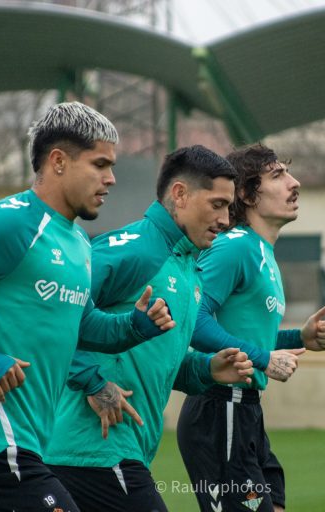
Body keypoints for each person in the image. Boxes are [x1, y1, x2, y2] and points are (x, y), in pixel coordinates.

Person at [0, 102, 173, 512]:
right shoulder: (11, 223)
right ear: (59, 161)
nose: (111, 178)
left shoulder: (80, 243)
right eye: (100, 164)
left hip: (23, 448)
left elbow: (84, 328)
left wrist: (135, 327)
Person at [45, 145, 254, 512]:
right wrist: (92, 382)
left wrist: (206, 370)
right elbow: (52, 314)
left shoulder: (190, 269)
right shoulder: (136, 250)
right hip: (92, 449)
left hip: (124, 450)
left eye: (229, 208)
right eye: (218, 204)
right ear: (180, 194)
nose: (225, 219)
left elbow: (154, 360)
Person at [177, 143, 325, 512]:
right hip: (220, 410)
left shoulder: (262, 252)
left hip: (246, 411)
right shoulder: (236, 247)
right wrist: (265, 358)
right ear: (247, 194)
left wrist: (300, 338)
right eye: (278, 175)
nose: (294, 183)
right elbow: (193, 320)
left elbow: (243, 333)